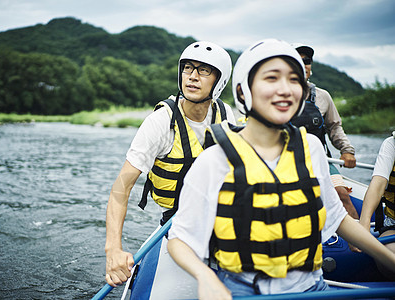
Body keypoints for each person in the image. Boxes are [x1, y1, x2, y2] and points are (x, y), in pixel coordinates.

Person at [167, 39, 395, 299]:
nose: (286, 89)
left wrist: (387, 258)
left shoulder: (310, 147)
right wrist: (205, 276)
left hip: (312, 288)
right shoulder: (213, 160)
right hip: (244, 290)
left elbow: (336, 217)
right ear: (243, 91)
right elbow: (179, 240)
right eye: (272, 78)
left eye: (294, 80)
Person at [104, 41, 236, 288]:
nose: (193, 77)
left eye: (204, 70)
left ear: (220, 81)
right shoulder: (160, 122)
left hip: (223, 222)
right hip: (178, 226)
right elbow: (121, 189)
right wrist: (113, 250)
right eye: (187, 68)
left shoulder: (227, 115)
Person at [290, 43, 359, 219]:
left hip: (321, 159)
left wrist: (347, 151)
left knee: (342, 196)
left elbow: (334, 127)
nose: (304, 64)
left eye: (307, 61)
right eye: (298, 60)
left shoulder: (322, 96)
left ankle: (360, 243)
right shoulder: (277, 96)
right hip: (287, 159)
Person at [359, 131, 395, 279]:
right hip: (393, 225)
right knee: (387, 256)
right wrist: (364, 222)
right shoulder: (391, 144)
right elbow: (378, 185)